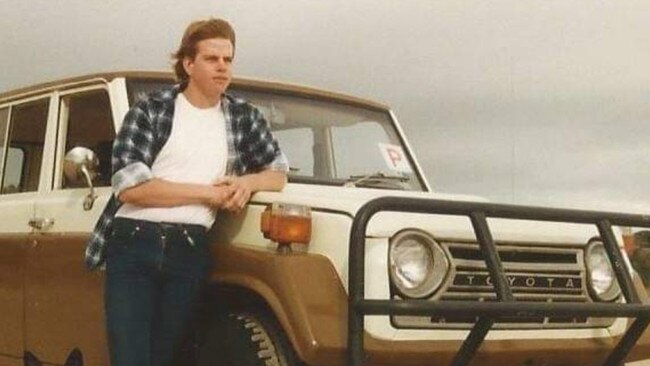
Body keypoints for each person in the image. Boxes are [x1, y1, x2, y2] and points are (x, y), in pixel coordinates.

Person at [85, 18, 288, 366]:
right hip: (135, 241)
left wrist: (246, 183)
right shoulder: (152, 109)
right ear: (188, 64)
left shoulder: (242, 116)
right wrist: (208, 195)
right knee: (131, 357)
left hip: (190, 247)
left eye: (228, 59)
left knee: (169, 357)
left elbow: (278, 172)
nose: (222, 67)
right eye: (212, 59)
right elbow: (131, 188)